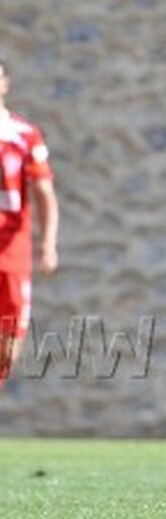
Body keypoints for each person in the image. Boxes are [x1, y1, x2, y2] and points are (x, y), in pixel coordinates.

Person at [0, 59, 59, 391]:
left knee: (9, 344)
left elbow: (44, 193)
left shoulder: (24, 135)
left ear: (5, 84)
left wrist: (48, 245)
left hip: (12, 252)